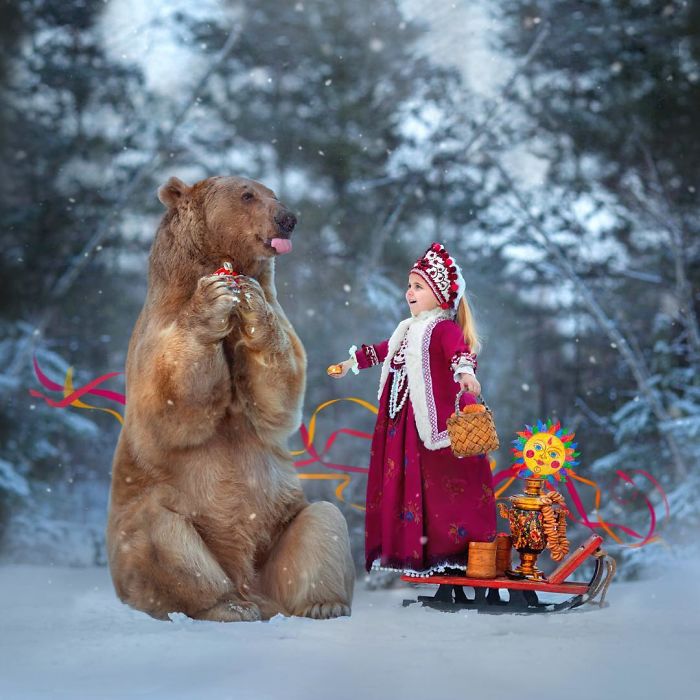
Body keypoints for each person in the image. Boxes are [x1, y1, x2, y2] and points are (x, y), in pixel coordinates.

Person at [330, 242, 496, 573]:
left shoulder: (442, 328)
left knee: (440, 489)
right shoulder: (407, 329)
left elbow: (459, 352)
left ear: (440, 294)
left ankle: (452, 555)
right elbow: (382, 350)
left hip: (431, 424)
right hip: (401, 423)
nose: (409, 292)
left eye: (418, 286)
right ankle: (421, 551)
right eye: (409, 286)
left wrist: (465, 373)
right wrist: (351, 363)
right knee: (409, 483)